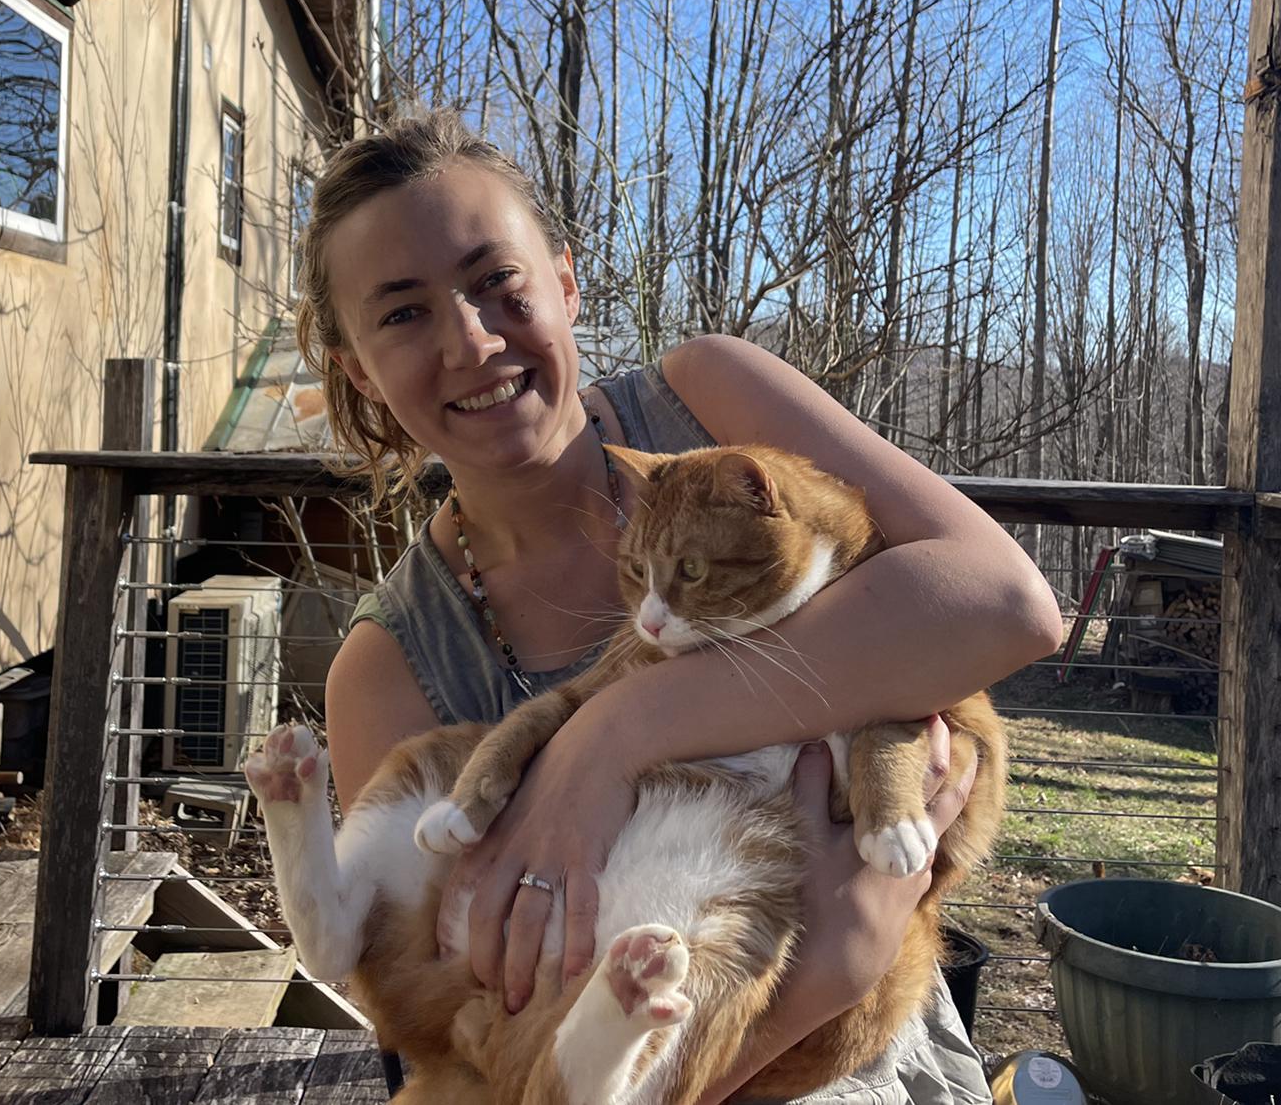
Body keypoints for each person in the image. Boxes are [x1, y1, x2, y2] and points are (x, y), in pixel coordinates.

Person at [295, 112, 1062, 1103]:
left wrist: (611, 733)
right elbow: (463, 1048)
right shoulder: (393, 665)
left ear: (566, 284)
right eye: (401, 315)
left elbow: (1005, 604)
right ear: (357, 368)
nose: (472, 342)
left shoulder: (705, 398)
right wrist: (827, 967)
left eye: (499, 284)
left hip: (876, 1067)